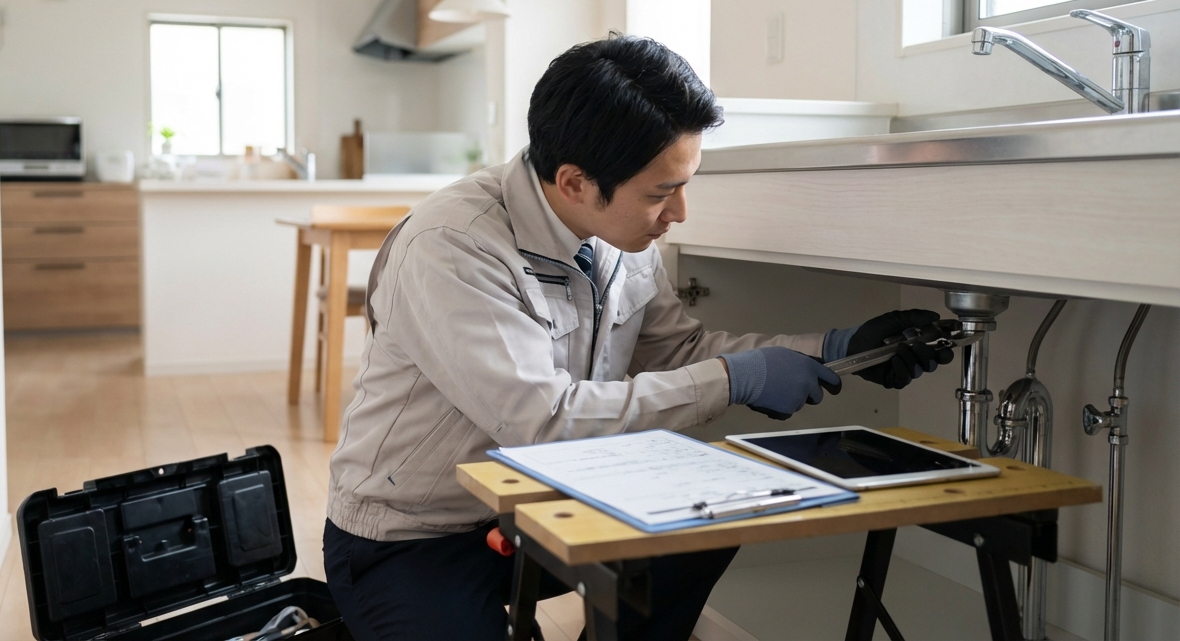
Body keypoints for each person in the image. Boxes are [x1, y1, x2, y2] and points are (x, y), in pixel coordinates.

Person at [323, 34, 952, 640]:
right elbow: (543, 420)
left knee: (706, 526)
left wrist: (836, 348)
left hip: (543, 507)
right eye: (662, 192)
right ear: (574, 182)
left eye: (684, 184)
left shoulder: (619, 236)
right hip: (414, 537)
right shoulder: (455, 247)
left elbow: (677, 352)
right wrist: (739, 378)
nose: (679, 214)